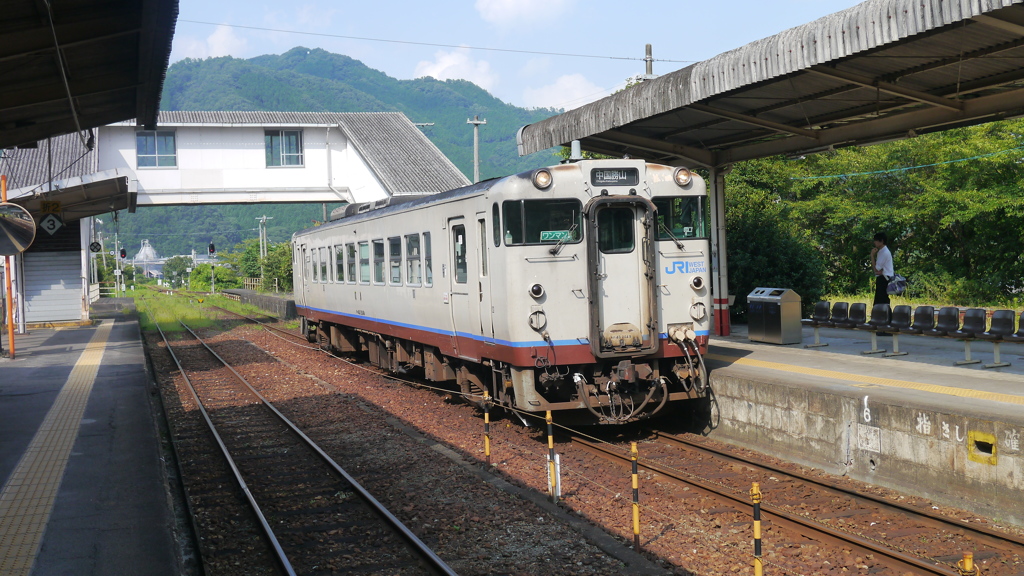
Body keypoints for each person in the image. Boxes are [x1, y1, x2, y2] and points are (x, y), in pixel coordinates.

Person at [870, 232, 893, 309]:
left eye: (876, 240)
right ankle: (884, 317)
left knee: (881, 300)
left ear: (881, 241)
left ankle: (884, 317)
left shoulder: (884, 252)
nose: (875, 242)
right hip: (883, 277)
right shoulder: (882, 251)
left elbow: (876, 269)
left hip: (884, 278)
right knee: (882, 299)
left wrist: (872, 256)